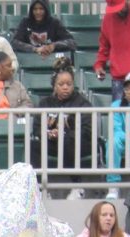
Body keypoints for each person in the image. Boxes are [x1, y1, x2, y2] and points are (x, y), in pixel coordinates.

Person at [32, 62, 92, 198]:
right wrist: (48, 134)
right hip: (52, 142)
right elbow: (36, 128)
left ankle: (77, 187)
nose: (65, 87)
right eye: (61, 84)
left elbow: (87, 130)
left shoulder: (82, 103)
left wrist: (64, 133)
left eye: (69, 84)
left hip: (77, 143)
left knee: (67, 140)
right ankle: (39, 189)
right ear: (54, 86)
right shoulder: (45, 103)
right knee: (33, 145)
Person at [11, 0, 77, 61]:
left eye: (41, 9)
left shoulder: (54, 23)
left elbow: (71, 43)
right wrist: (34, 49)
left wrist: (53, 46)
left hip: (52, 61)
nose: (38, 12)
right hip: (31, 60)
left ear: (46, 9)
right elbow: (14, 42)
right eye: (35, 9)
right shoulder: (25, 22)